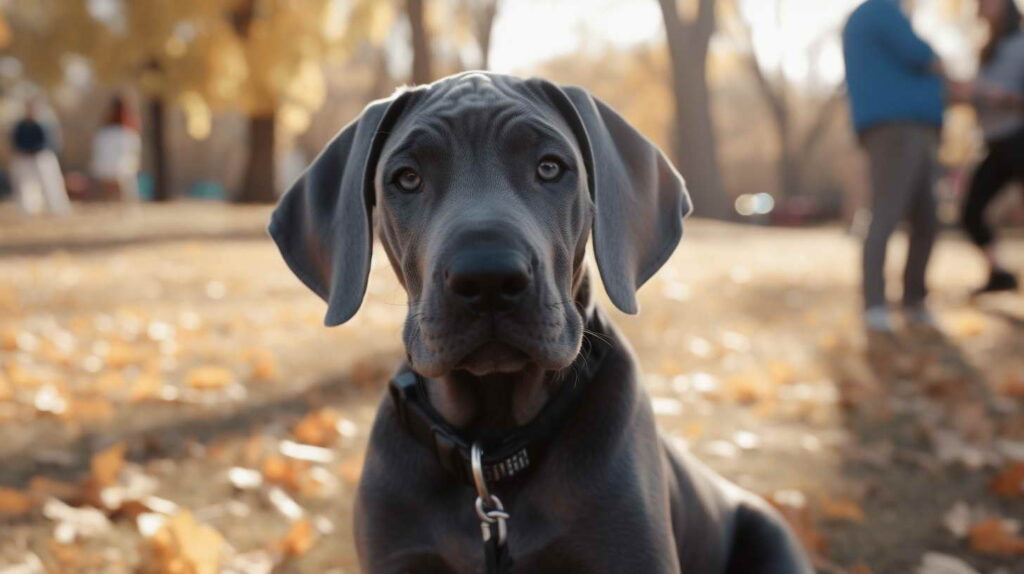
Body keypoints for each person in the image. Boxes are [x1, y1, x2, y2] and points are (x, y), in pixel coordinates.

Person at [843, 0, 948, 332]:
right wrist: (940, 66)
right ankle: (875, 305)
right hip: (897, 129)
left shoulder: (876, 15)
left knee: (926, 219)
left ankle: (914, 301)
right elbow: (922, 55)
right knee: (886, 215)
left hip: (911, 127)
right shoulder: (882, 11)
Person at [958, 0, 1024, 296]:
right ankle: (998, 274)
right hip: (994, 144)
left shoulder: (1021, 44)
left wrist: (1006, 97)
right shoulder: (986, 50)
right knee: (970, 212)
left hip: (1019, 138)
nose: (982, 7)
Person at [9, 99, 71, 215]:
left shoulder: (46, 124)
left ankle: (58, 209)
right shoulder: (21, 125)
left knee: (50, 184)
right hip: (25, 158)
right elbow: (16, 142)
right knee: (26, 186)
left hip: (42, 157)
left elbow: (52, 142)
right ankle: (28, 210)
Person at [90, 95, 142, 202]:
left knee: (111, 177)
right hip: (122, 168)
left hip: (102, 168)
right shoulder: (128, 132)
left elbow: (97, 151)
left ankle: (105, 201)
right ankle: (129, 203)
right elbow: (134, 152)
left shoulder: (104, 132)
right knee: (128, 175)